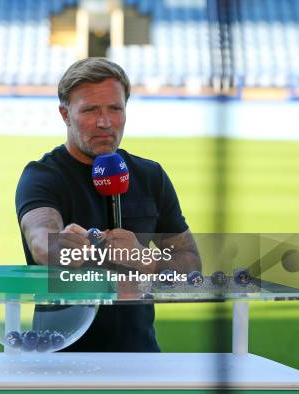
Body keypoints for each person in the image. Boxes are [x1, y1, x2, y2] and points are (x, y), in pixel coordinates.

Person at [15, 57, 201, 352]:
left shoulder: (150, 176)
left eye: (115, 109)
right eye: (90, 110)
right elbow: (42, 243)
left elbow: (191, 265)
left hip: (140, 356)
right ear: (65, 114)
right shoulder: (42, 176)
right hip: (60, 357)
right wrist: (64, 248)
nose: (105, 122)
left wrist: (146, 261)